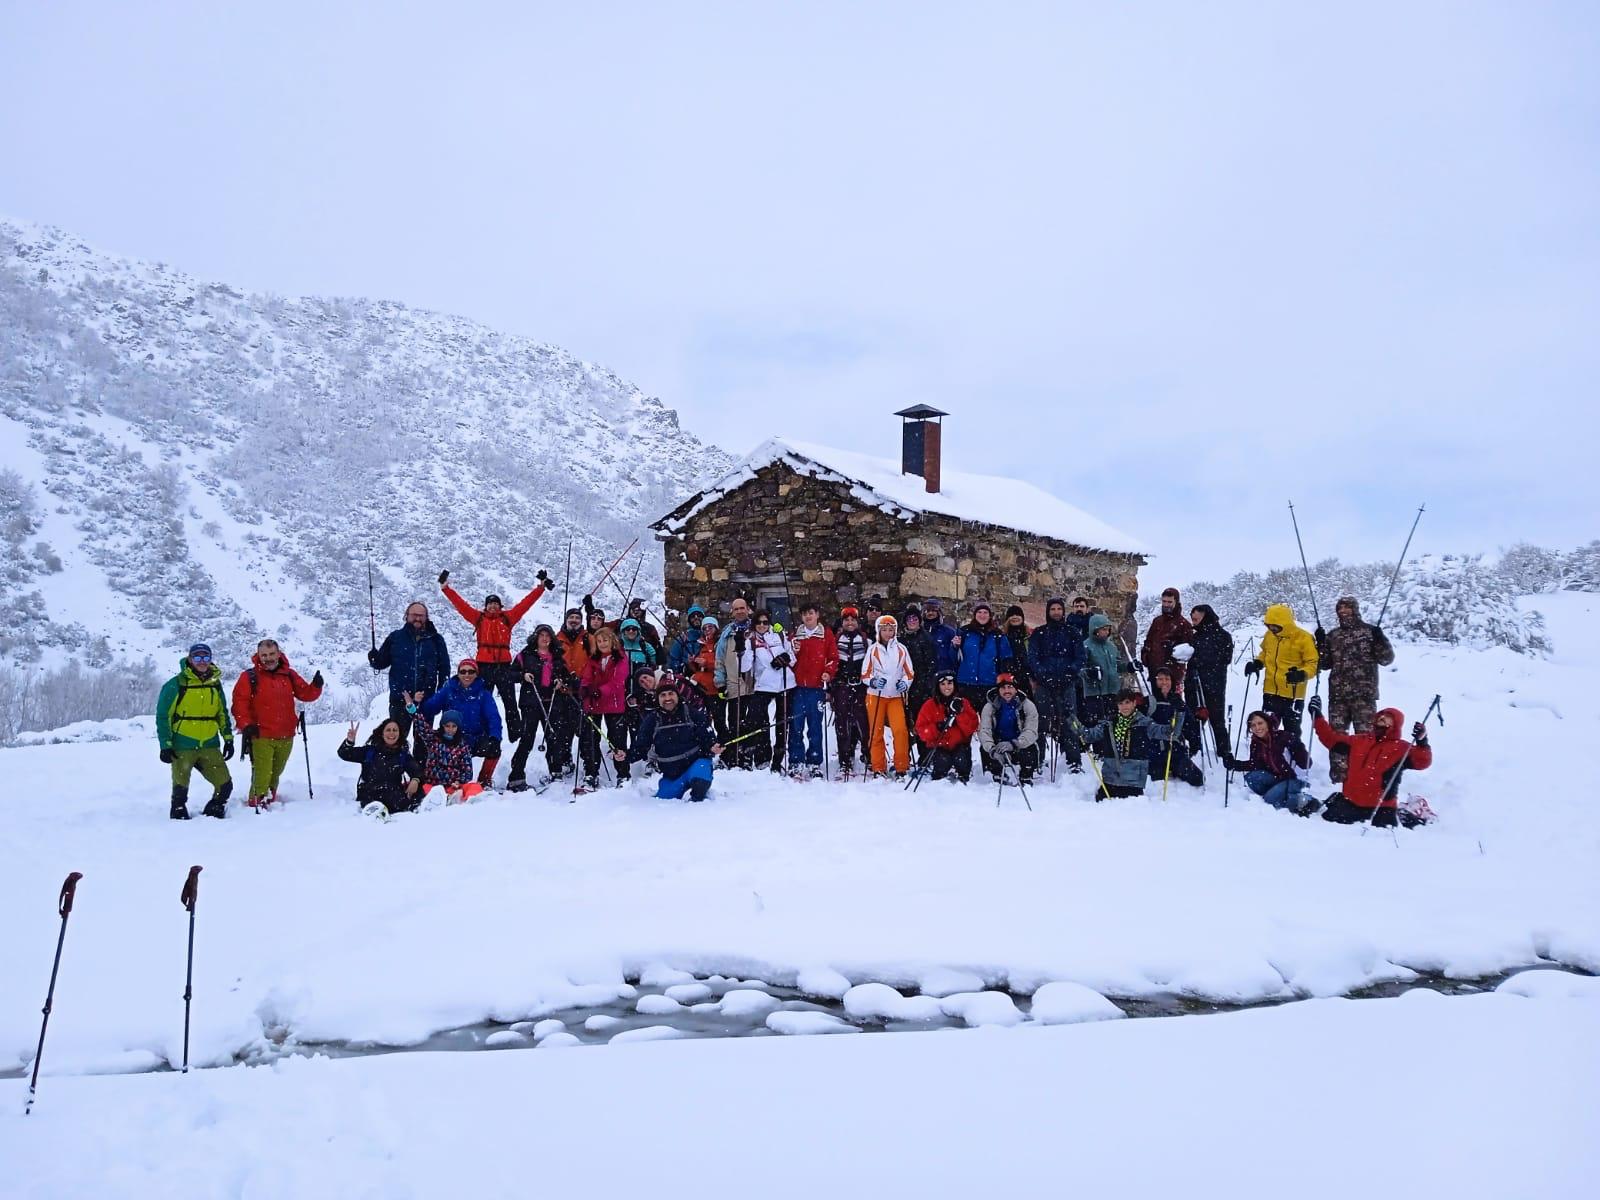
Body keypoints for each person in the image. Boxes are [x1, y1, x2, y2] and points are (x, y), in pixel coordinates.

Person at [439, 568, 550, 744]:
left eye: (496, 603)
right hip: (483, 666)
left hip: (504, 666)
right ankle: (481, 733)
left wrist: (540, 588)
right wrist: (446, 589)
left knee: (510, 701)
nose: (493, 606)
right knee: (482, 701)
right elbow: (461, 606)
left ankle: (515, 734)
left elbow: (525, 604)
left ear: (500, 606)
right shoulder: (478, 618)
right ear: (485, 606)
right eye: (490, 603)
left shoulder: (508, 618)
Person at [1309, 695, 1432, 826]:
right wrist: (1317, 717)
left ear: (1396, 724)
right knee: (1324, 821)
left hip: (1381, 809)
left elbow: (1423, 761)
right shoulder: (1359, 741)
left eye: (1388, 717)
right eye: (1381, 716)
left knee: (1382, 835)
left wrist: (1422, 741)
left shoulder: (1401, 748)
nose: (1382, 718)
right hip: (1351, 804)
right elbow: (1331, 740)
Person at [230, 638, 324, 809]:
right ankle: (256, 804)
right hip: (261, 735)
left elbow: (305, 694)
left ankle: (269, 800)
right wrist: (246, 725)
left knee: (276, 773)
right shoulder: (249, 677)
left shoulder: (289, 674)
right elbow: (239, 704)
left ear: (279, 654)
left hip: (286, 734)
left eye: (272, 654)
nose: (268, 658)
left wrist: (316, 686)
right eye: (264, 655)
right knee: (263, 773)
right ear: (258, 656)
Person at [1317, 596, 1396, 783]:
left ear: (1355, 609)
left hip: (1364, 696)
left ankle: (1366, 773)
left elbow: (1387, 659)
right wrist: (1320, 644)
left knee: (1367, 737)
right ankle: (1339, 775)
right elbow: (1324, 664)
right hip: (1338, 696)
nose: (1343, 612)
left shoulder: (1370, 632)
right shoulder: (1333, 635)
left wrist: (1380, 639)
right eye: (1340, 609)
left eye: (1347, 608)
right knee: (1337, 738)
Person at [156, 642, 235, 819]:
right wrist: (165, 745)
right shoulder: (175, 684)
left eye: (206, 657)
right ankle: (178, 814)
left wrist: (228, 738)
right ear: (190, 659)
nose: (202, 661)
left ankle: (214, 809)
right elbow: (163, 717)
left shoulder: (215, 684)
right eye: (197, 657)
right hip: (182, 744)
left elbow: (222, 712)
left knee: (225, 785)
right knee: (180, 790)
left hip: (209, 743)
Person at [616, 676, 723, 801]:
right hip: (672, 774)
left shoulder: (691, 713)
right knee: (664, 800)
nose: (667, 698)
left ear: (677, 696)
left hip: (695, 764)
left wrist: (712, 746)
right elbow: (641, 747)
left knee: (700, 781)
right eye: (663, 695)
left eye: (671, 694)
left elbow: (707, 736)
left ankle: (698, 803)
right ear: (658, 699)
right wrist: (626, 755)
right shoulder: (652, 720)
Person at [367, 601, 451, 755]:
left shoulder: (436, 639)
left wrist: (441, 692)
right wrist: (374, 659)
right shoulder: (395, 637)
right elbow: (381, 663)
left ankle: (419, 776)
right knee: (396, 741)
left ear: (427, 617)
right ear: (406, 616)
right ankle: (394, 773)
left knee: (423, 742)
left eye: (421, 615)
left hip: (427, 699)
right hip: (399, 699)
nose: (417, 618)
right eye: (414, 615)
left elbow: (444, 667)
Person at [508, 624, 578, 789]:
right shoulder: (524, 655)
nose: (545, 639)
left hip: (553, 702)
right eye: (542, 635)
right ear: (536, 637)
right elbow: (510, 675)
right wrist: (522, 675)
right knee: (527, 738)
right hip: (530, 702)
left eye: (548, 636)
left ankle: (556, 772)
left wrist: (561, 681)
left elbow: (567, 678)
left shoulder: (558, 657)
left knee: (554, 739)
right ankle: (516, 776)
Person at [419, 659, 504, 787]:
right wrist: (418, 703)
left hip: (476, 737)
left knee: (494, 750)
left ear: (476, 674)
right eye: (463, 671)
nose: (467, 675)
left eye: (471, 671)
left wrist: (495, 737)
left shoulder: (484, 694)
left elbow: (493, 717)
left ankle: (483, 782)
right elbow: (430, 708)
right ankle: (443, 782)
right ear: (458, 674)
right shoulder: (448, 690)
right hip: (452, 736)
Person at [1243, 603, 1319, 737]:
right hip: (1270, 691)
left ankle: (1293, 757)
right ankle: (1266, 756)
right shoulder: (1269, 636)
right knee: (1266, 731)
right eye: (1269, 625)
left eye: (1275, 626)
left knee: (1292, 733)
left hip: (1293, 694)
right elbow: (1265, 653)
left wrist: (1302, 674)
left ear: (1285, 623)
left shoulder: (1303, 638)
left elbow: (1313, 663)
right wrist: (1258, 663)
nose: (1271, 628)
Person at [1028, 597, 1086, 773]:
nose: (1056, 612)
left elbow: (1080, 657)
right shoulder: (1039, 633)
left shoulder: (1072, 632)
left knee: (1070, 722)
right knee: (1040, 722)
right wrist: (1044, 676)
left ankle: (1073, 760)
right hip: (1044, 684)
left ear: (1063, 611)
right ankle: (1037, 760)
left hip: (1067, 683)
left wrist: (1069, 674)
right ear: (1048, 611)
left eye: (1059, 609)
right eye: (1052, 609)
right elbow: (1033, 658)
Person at [1227, 711, 1315, 815]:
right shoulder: (1256, 743)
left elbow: (1306, 764)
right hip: (1277, 779)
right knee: (1251, 778)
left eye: (1260, 723)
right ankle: (1279, 795)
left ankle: (1307, 801)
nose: (1257, 728)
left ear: (1267, 723)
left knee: (1269, 800)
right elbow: (1255, 765)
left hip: (1292, 779)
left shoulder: (1283, 737)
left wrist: (1297, 746)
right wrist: (1234, 764)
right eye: (1253, 725)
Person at [1076, 689, 1158, 799]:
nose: (1124, 707)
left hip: (1132, 783)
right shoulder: (1109, 723)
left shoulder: (1145, 724)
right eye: (1121, 703)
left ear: (1134, 703)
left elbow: (1170, 733)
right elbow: (1088, 735)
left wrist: (1179, 713)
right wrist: (1071, 718)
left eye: (1127, 702)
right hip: (1110, 781)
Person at [578, 626, 632, 789]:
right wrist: (584, 688)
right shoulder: (593, 658)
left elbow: (617, 682)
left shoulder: (621, 658)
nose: (602, 644)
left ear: (612, 641)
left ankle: (623, 774)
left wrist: (599, 691)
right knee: (591, 740)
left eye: (605, 640)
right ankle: (591, 773)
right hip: (594, 704)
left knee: (617, 739)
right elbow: (586, 677)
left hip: (614, 703)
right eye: (599, 641)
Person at [788, 602, 837, 778]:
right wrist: (794, 652)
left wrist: (828, 672)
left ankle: (814, 761)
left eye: (811, 613)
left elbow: (833, 658)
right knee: (796, 726)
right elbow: (789, 661)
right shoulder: (795, 636)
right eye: (804, 614)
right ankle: (796, 760)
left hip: (816, 688)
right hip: (798, 688)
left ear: (817, 615)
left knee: (815, 727)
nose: (808, 617)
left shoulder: (826, 635)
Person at [862, 613, 914, 776]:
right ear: (879, 631)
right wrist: (873, 681)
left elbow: (909, 672)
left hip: (895, 696)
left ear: (895, 631)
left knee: (900, 730)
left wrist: (905, 683)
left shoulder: (901, 649)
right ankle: (878, 766)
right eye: (884, 630)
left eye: (890, 630)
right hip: (875, 696)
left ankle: (901, 766)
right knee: (875, 732)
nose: (887, 633)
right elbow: (864, 674)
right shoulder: (872, 649)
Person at [337, 719, 422, 816]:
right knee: (377, 804)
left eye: (395, 730)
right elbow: (344, 753)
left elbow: (417, 770)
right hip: (370, 795)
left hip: (395, 796)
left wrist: (415, 779)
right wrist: (349, 741)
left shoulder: (402, 755)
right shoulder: (370, 752)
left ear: (399, 734)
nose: (391, 733)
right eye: (388, 730)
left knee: (415, 792)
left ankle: (424, 808)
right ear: (382, 733)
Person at [1185, 604, 1233, 761]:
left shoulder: (1223, 636)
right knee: (1193, 717)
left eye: (1196, 619)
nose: (1194, 622)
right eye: (1192, 619)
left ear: (1206, 617)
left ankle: (1224, 751)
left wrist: (1205, 664)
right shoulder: (1195, 636)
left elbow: (1226, 659)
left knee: (1217, 718)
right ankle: (1195, 747)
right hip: (1193, 682)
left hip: (1214, 683)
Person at [1142, 667, 1204, 789]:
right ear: (1155, 682)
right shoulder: (1148, 701)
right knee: (1155, 781)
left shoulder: (1178, 702)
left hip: (1175, 750)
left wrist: (1194, 745)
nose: (1164, 682)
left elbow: (1190, 726)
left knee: (1197, 778)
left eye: (1167, 679)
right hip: (1153, 751)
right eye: (1160, 679)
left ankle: (1174, 767)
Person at [714, 596, 758, 767]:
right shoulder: (727, 633)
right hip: (733, 684)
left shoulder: (756, 630)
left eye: (742, 608)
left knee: (753, 723)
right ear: (732, 612)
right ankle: (732, 756)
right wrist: (720, 682)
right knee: (734, 723)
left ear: (748, 609)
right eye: (736, 608)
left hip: (754, 685)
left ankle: (748, 756)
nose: (740, 611)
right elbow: (720, 659)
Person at [913, 671, 979, 782]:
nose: (946, 687)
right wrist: (936, 728)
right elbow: (921, 730)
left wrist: (960, 716)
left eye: (949, 683)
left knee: (962, 761)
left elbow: (972, 726)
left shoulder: (963, 703)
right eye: (942, 684)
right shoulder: (930, 705)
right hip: (939, 746)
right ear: (938, 686)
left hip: (960, 745)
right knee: (942, 763)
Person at [831, 606, 872, 778]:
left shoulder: (866, 641)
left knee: (864, 722)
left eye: (852, 620)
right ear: (842, 622)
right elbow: (831, 663)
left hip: (861, 687)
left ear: (857, 622)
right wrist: (831, 687)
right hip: (841, 686)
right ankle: (844, 760)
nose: (849, 623)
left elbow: (872, 664)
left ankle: (868, 755)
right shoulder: (835, 640)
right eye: (846, 620)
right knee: (842, 724)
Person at [978, 672, 1041, 785]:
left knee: (1030, 748)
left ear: (1016, 689)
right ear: (998, 690)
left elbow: (1031, 731)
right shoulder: (990, 706)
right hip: (998, 744)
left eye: (1010, 687)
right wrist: (992, 749)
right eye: (1003, 688)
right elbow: (984, 730)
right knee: (985, 749)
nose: (1007, 691)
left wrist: (1014, 744)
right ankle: (997, 774)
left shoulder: (1027, 705)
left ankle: (1026, 776)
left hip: (1018, 743)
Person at [954, 601, 1013, 717]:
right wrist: (955, 646)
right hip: (966, 682)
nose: (982, 615)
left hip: (989, 683)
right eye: (979, 612)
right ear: (975, 614)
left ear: (990, 615)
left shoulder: (998, 635)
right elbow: (954, 657)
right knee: (966, 718)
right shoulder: (965, 632)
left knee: (987, 718)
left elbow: (1006, 658)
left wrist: (1003, 679)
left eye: (985, 612)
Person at [413, 708, 482, 806]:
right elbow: (421, 725)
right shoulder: (433, 739)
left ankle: (464, 802)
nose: (450, 729)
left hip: (453, 786)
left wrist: (458, 782)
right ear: (442, 726)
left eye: (454, 726)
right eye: (447, 726)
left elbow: (467, 771)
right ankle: (437, 800)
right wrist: (412, 709)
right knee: (421, 790)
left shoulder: (462, 745)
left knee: (475, 787)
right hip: (433, 785)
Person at [1141, 587, 1195, 693]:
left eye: (1169, 602)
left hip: (1173, 674)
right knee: (1157, 705)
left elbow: (1188, 651)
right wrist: (1146, 656)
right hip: (1155, 672)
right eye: (1164, 601)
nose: (1166, 605)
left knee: (1173, 706)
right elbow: (1148, 641)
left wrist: (1173, 651)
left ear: (1176, 602)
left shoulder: (1183, 624)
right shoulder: (1157, 621)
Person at [1080, 612, 1129, 728]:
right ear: (1095, 630)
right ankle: (1099, 745)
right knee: (1098, 725)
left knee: (1113, 724)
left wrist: (1129, 666)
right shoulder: (1086, 646)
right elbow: (1080, 668)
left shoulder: (1111, 647)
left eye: (1108, 630)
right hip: (1095, 692)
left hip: (1112, 691)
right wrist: (1089, 672)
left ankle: (1112, 745)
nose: (1106, 632)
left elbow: (1117, 665)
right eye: (1103, 629)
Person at [922, 598, 961, 674]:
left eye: (933, 610)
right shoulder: (920, 631)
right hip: (924, 674)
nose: (930, 613)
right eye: (928, 610)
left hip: (943, 672)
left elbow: (955, 655)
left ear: (939, 612)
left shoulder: (949, 632)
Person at [1001, 606, 1032, 695]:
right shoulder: (1003, 637)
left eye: (1018, 615)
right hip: (1008, 680)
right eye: (1012, 615)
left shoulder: (1029, 637)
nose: (1015, 617)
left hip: (1026, 678)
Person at [668, 604, 707, 671]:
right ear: (689, 620)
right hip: (687, 676)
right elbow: (673, 659)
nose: (696, 618)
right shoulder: (683, 638)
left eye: (699, 615)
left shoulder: (709, 636)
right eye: (692, 616)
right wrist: (684, 667)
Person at [555, 607, 591, 677]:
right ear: (566, 620)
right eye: (571, 617)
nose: (574, 620)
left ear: (581, 621)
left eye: (577, 618)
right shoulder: (556, 640)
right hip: (561, 685)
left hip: (583, 684)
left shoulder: (589, 638)